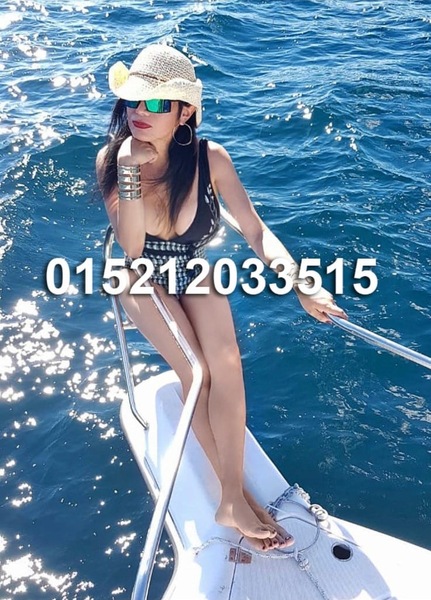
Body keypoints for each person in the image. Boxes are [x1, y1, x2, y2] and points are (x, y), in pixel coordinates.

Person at [96, 44, 347, 551]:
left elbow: (255, 230)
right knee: (197, 374)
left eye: (157, 103)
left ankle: (232, 496)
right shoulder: (114, 158)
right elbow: (133, 246)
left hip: (191, 267)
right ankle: (236, 497)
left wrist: (300, 282)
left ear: (185, 112)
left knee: (228, 366)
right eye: (133, 100)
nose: (140, 111)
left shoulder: (210, 159)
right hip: (138, 274)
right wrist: (127, 166)